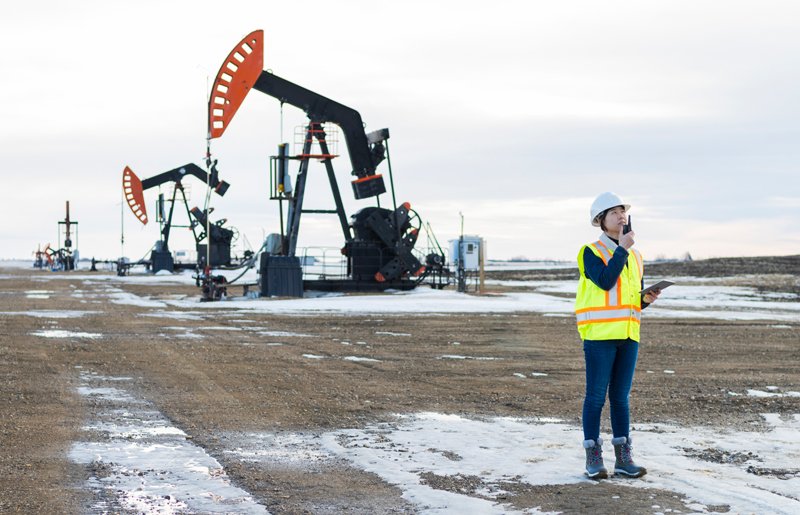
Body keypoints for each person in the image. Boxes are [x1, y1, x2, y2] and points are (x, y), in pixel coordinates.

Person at [575, 192, 661, 480]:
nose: (621, 215)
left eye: (623, 211)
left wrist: (646, 299)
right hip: (599, 336)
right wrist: (621, 248)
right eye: (614, 212)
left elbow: (630, 300)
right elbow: (604, 281)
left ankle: (624, 459)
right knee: (596, 397)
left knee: (621, 398)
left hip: (628, 334)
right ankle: (593, 458)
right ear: (601, 220)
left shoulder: (636, 255)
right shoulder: (591, 251)